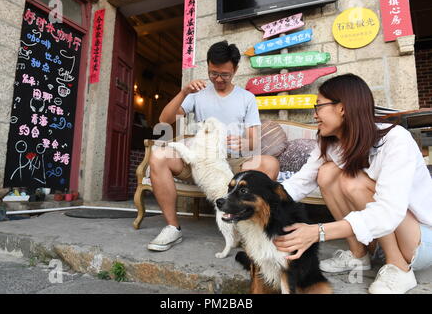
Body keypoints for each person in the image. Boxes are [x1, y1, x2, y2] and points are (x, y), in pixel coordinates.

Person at [273, 73, 432, 294]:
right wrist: (256, 199)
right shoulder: (331, 144)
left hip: (420, 240)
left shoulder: (395, 140)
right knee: (327, 172)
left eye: (318, 106)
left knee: (352, 181)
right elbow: (299, 182)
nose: (315, 114)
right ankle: (359, 256)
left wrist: (317, 232)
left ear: (343, 108)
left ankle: (399, 267)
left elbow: (389, 211)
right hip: (380, 233)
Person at [147, 41, 280, 252]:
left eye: (224, 75)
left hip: (233, 164)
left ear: (235, 70)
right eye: (213, 73)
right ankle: (173, 227)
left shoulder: (246, 98)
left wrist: (245, 142)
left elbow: (254, 141)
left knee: (270, 163)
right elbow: (164, 119)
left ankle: (253, 228)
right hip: (202, 162)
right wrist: (184, 92)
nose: (218, 79)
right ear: (208, 67)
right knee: (158, 155)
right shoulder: (197, 94)